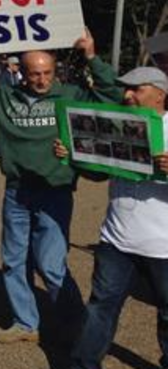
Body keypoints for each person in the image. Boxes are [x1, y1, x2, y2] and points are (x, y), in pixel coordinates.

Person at [0, 29, 122, 344]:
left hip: (55, 190)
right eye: (35, 74)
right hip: (17, 191)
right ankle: (25, 322)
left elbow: (111, 97)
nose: (42, 79)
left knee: (51, 264)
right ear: (23, 74)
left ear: (54, 72)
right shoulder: (4, 97)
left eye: (47, 73)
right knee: (13, 260)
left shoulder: (70, 95)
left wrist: (92, 56)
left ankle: (78, 324)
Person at [55, 67, 168, 369]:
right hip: (116, 241)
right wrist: (73, 155)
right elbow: (99, 171)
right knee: (100, 309)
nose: (127, 95)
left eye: (136, 89)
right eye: (125, 89)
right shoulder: (118, 123)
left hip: (164, 248)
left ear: (160, 94)